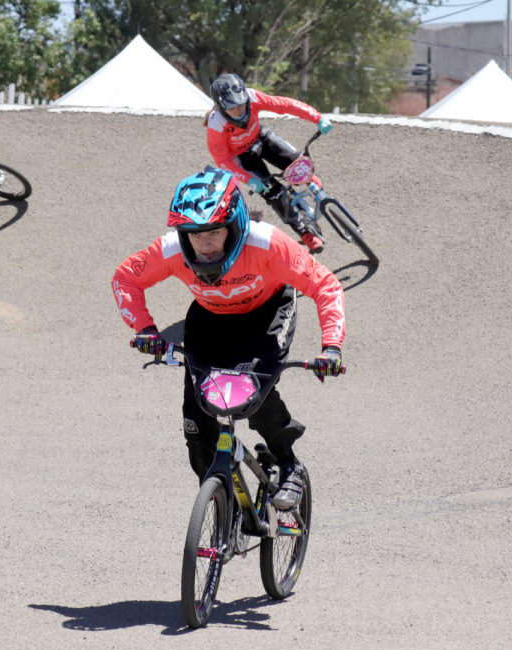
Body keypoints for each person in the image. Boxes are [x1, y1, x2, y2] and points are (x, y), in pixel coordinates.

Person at [112, 167, 345, 509]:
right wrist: (146, 330)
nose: (204, 245)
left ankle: (288, 463)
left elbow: (325, 285)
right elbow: (125, 279)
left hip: (267, 313)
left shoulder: (268, 243)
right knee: (197, 421)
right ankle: (222, 504)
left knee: (253, 393)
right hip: (211, 319)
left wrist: (332, 347)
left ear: (234, 225)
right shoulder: (172, 249)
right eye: (194, 234)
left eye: (214, 232)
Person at [206, 72, 333, 254]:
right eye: (232, 108)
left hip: (261, 137)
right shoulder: (216, 124)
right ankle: (305, 232)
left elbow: (286, 105)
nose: (239, 110)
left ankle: (309, 179)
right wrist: (249, 180)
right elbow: (222, 160)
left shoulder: (252, 97)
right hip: (242, 158)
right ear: (220, 106)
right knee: (274, 194)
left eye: (241, 105)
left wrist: (318, 118)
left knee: (297, 161)